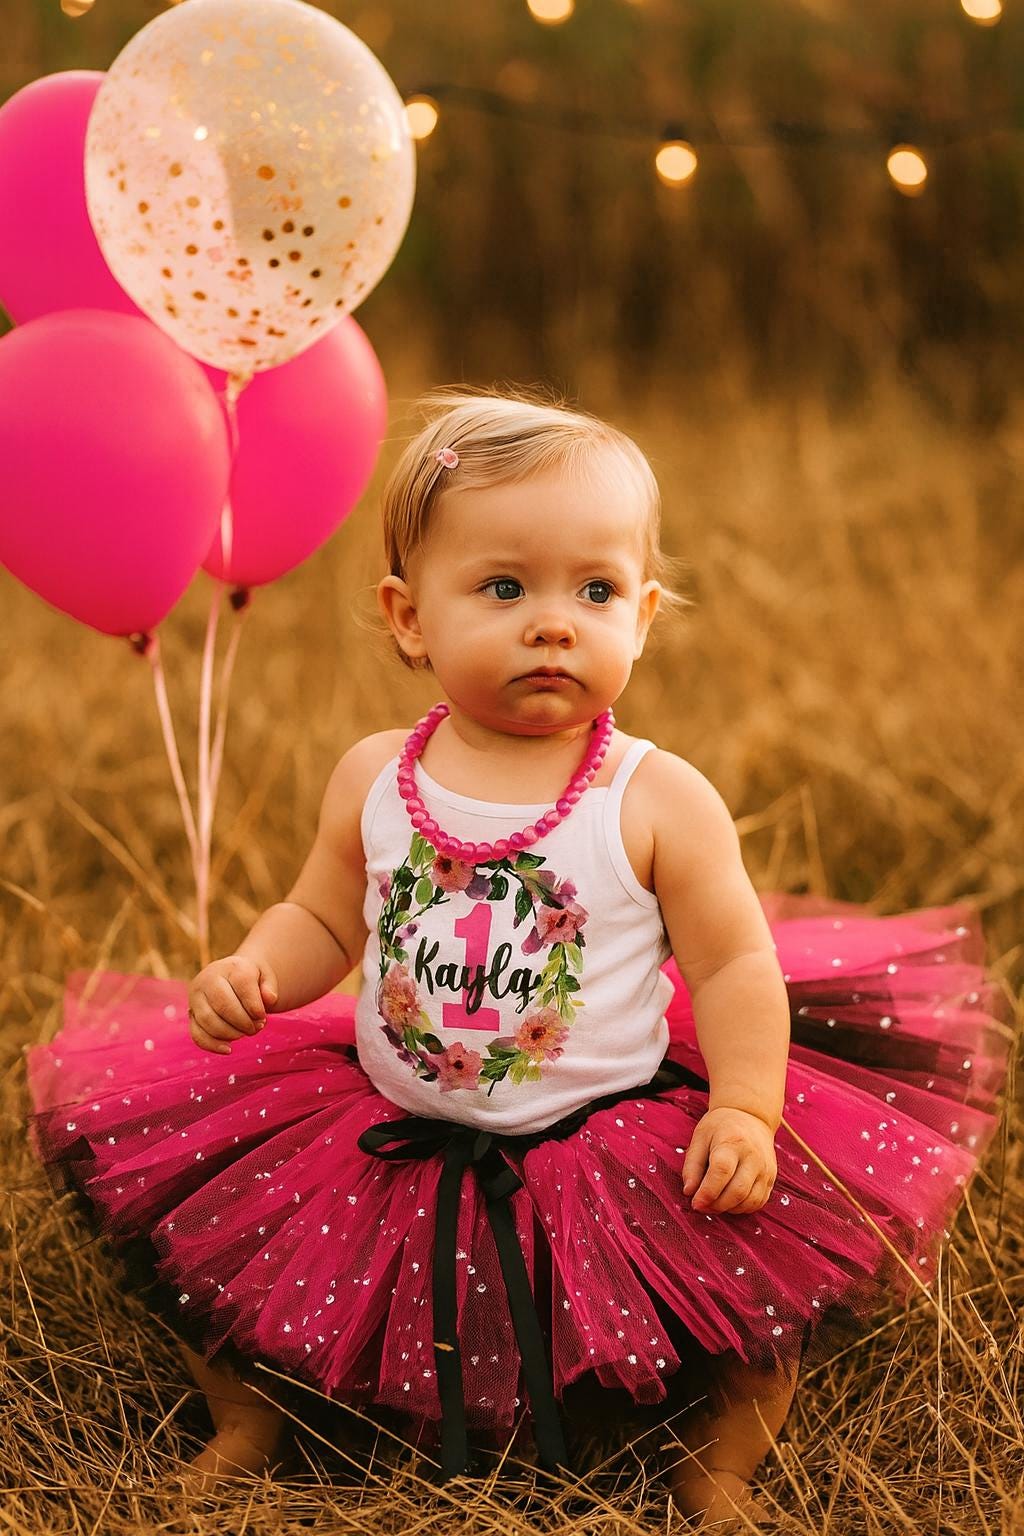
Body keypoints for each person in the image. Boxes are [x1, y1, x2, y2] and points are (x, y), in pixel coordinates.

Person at [24, 386, 1013, 1531]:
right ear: (408, 618)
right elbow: (325, 919)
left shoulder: (653, 796)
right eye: (504, 588)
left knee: (751, 1302)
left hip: (603, 1130)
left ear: (642, 614)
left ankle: (720, 1462)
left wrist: (743, 1107)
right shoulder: (375, 774)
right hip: (386, 1125)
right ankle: (252, 1418)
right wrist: (257, 968)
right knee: (216, 1263)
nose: (553, 623)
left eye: (593, 592)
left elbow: (738, 964)